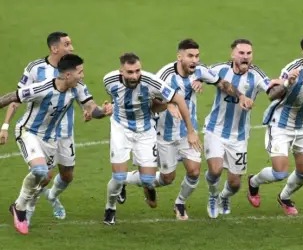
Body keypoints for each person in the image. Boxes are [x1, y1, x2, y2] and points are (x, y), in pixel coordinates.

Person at [123, 39, 236, 221]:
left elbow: (221, 83)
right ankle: (125, 179)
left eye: (197, 56)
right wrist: (167, 104)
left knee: (194, 171)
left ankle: (180, 203)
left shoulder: (199, 71)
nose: (194, 60)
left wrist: (242, 96)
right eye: (190, 56)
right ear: (179, 57)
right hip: (164, 134)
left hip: (187, 132)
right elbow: (149, 104)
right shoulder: (164, 76)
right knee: (167, 178)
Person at [0, 54, 112, 234]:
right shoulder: (42, 88)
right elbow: (12, 96)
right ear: (67, 75)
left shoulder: (78, 88)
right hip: (28, 132)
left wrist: (104, 112)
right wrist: (5, 125)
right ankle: (20, 208)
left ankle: (21, 206)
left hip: (51, 138)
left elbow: (91, 108)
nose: (82, 76)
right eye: (80, 72)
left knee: (45, 177)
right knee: (40, 171)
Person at [102, 52, 201, 225]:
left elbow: (179, 100)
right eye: (130, 72)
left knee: (148, 179)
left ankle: (126, 182)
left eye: (137, 71)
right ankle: (110, 208)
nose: (135, 76)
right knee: (117, 176)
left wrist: (190, 130)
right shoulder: (109, 80)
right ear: (121, 72)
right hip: (120, 128)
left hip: (145, 130)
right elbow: (114, 96)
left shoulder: (151, 82)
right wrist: (109, 108)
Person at [247, 34, 303, 216]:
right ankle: (253, 182)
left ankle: (284, 197)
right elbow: (273, 95)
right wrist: (288, 83)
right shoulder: (293, 69)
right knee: (280, 172)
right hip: (281, 125)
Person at [0, 32, 82, 220]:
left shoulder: (74, 69)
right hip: (41, 130)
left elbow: (83, 96)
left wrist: (92, 111)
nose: (71, 48)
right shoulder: (35, 69)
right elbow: (17, 97)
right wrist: (5, 126)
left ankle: (53, 197)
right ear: (55, 48)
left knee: (67, 176)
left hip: (65, 132)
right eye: (67, 44)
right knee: (43, 175)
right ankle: (27, 210)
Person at [203, 39, 270, 218]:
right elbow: (199, 71)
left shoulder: (256, 75)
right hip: (215, 129)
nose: (245, 56)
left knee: (234, 184)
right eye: (241, 53)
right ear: (233, 54)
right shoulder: (220, 69)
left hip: (239, 135)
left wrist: (285, 84)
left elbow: (270, 88)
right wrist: (197, 81)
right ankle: (213, 195)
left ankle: (224, 196)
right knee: (215, 170)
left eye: (249, 53)